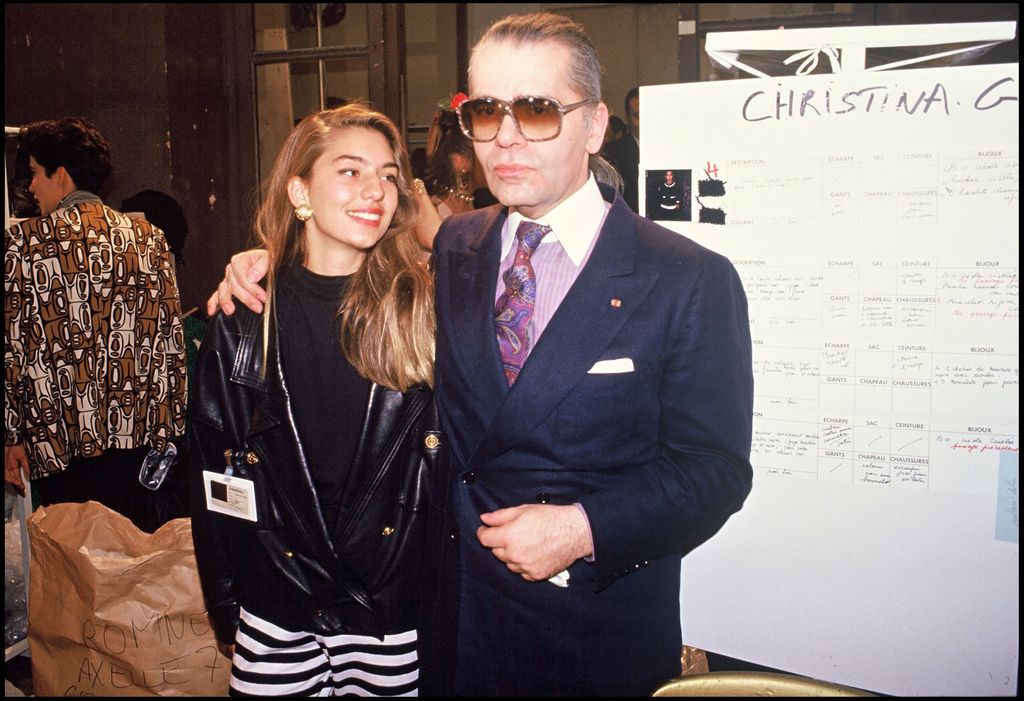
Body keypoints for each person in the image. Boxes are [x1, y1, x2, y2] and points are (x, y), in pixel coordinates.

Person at [209, 12, 753, 697]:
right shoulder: (458, 245)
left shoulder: (684, 277)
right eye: (487, 110)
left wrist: (585, 527)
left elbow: (715, 471)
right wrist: (267, 263)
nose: (507, 137)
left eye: (538, 109)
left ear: (594, 125)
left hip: (589, 631)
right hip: (452, 629)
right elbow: (349, 286)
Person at [189, 102, 438, 696]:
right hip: (278, 606)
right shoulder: (245, 315)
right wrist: (227, 601)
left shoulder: (426, 311)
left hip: (388, 611)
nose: (375, 189)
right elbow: (213, 471)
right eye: (350, 171)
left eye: (387, 174)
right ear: (300, 192)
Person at [4, 118, 187, 534]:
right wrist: (169, 430)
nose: (31, 188)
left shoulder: (26, 245)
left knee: (71, 571)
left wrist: (11, 436)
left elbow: (13, 348)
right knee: (128, 570)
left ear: (61, 175)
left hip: (56, 436)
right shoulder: (148, 239)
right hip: (135, 436)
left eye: (34, 173)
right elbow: (169, 345)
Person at [604, 85, 641, 213]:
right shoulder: (613, 153)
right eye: (637, 115)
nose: (644, 121)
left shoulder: (669, 148)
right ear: (629, 119)